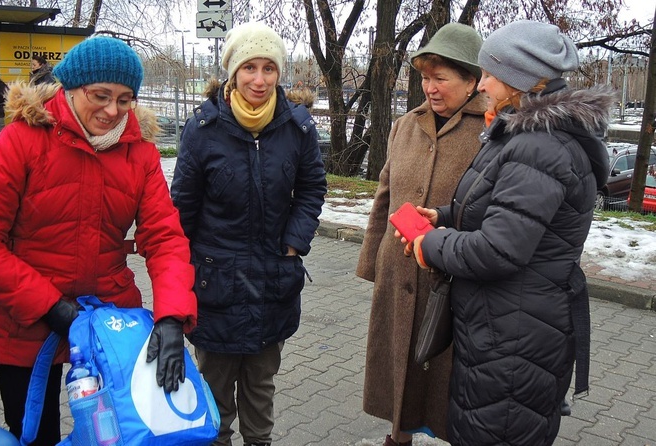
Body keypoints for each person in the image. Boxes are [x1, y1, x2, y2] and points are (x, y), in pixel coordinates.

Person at [0, 36, 197, 445]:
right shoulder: (21, 141)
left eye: (124, 99)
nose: (112, 110)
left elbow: (165, 237)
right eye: (100, 95)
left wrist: (172, 315)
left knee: (118, 434)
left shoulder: (140, 154)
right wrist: (48, 306)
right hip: (24, 321)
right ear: (70, 88)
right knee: (35, 435)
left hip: (107, 319)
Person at [406, 20, 615, 446]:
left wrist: (431, 243)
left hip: (515, 336)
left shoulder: (541, 144)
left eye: (488, 72)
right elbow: (505, 210)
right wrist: (444, 217)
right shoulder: (527, 132)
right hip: (505, 326)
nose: (481, 82)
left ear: (518, 78)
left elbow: (499, 250)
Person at [170, 22, 327, 446]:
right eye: (250, 68)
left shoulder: (297, 127)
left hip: (273, 281)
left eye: (269, 68)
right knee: (215, 392)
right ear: (233, 72)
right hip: (215, 284)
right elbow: (180, 210)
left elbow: (313, 187)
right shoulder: (203, 130)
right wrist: (178, 279)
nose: (260, 79)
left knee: (260, 388)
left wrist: (295, 241)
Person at [355, 23, 485, 446]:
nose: (430, 87)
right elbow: (385, 196)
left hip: (453, 278)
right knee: (399, 373)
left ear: (471, 81)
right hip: (399, 274)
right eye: (425, 77)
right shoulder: (404, 126)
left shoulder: (492, 132)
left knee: (448, 380)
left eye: (441, 78)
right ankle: (399, 437)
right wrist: (373, 263)